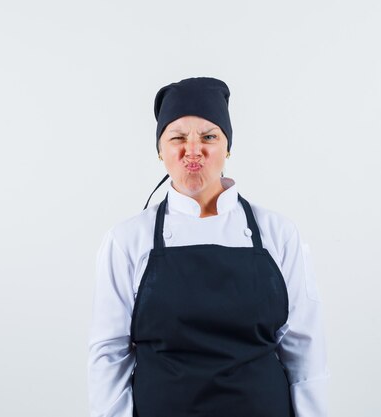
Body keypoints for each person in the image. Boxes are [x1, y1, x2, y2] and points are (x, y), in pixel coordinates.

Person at [87, 76, 330, 417]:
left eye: (209, 137)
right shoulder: (127, 240)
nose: (193, 149)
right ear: (160, 150)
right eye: (178, 138)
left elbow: (306, 351)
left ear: (227, 146)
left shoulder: (279, 233)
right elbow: (108, 354)